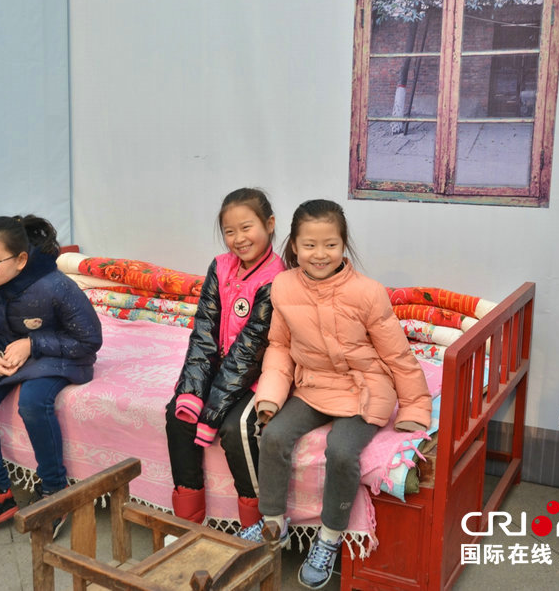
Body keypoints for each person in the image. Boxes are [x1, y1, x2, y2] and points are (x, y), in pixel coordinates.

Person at [248, 199, 431, 589]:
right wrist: (271, 397)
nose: (320, 254)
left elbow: (396, 355)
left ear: (343, 245)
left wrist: (415, 406)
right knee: (274, 435)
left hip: (365, 389)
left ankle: (329, 537)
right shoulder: (283, 285)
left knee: (343, 451)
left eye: (330, 244)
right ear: (294, 246)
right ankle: (273, 524)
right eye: (309, 245)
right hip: (313, 385)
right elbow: (279, 346)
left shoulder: (368, 292)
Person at [0, 215, 102, 536]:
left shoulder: (56, 286)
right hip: (6, 352)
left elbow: (89, 340)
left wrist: (32, 343)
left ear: (21, 260)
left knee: (33, 403)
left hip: (57, 355)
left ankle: (53, 490)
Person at [164, 188, 285, 534]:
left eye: (247, 228)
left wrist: (212, 412)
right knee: (179, 414)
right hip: (220, 368)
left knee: (236, 429)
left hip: (258, 374)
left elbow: (250, 351)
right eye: (230, 231)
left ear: (270, 224)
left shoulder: (277, 278)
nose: (238, 239)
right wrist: (193, 393)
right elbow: (204, 331)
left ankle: (258, 525)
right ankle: (188, 523)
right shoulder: (220, 267)